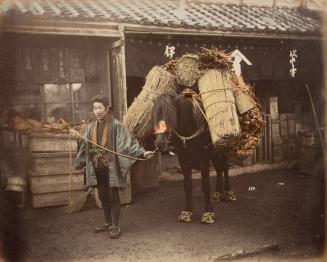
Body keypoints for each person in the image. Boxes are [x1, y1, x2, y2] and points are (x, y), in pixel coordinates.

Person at [72, 95, 154, 239]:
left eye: (100, 108)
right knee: (103, 196)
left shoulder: (116, 125)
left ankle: (115, 225)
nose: (97, 111)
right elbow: (86, 145)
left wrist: (142, 152)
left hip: (111, 168)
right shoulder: (90, 127)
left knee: (113, 196)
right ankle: (107, 222)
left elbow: (129, 142)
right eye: (95, 108)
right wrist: (79, 138)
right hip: (97, 168)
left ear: (107, 108)